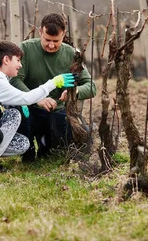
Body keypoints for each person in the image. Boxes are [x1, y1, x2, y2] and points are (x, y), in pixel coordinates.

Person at [10, 13, 97, 161]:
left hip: (59, 111)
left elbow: (91, 86)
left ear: (63, 35)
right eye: (47, 40)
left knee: (78, 142)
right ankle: (28, 151)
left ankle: (48, 145)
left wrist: (74, 92)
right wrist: (37, 98)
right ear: (40, 32)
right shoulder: (25, 49)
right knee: (18, 114)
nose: (51, 45)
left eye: (56, 41)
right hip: (31, 110)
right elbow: (15, 81)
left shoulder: (71, 54)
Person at [0, 40, 76, 160]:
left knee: (22, 144)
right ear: (6, 60)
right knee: (13, 115)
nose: (20, 65)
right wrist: (53, 83)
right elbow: (26, 98)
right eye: (18, 60)